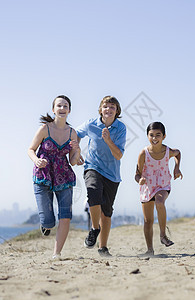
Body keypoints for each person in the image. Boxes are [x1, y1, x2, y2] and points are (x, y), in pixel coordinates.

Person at [28, 95, 81, 259]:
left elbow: (73, 161)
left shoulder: (72, 133)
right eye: (59, 105)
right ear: (53, 109)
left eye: (65, 106)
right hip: (43, 176)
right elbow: (30, 149)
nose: (62, 108)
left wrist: (77, 150)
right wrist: (37, 160)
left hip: (64, 177)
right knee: (48, 221)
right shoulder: (45, 129)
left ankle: (56, 253)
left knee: (65, 217)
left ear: (69, 110)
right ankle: (46, 225)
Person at [76, 96, 126, 257]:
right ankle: (94, 229)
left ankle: (103, 247)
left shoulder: (120, 128)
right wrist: (76, 151)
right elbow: (75, 134)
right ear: (101, 109)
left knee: (107, 213)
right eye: (106, 106)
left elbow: (118, 155)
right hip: (92, 167)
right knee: (93, 193)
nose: (108, 109)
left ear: (116, 111)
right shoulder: (91, 124)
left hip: (112, 174)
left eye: (112, 107)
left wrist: (108, 140)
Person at [135, 121, 183, 256]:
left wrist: (177, 168)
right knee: (148, 221)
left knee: (160, 202)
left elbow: (178, 153)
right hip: (147, 187)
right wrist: (140, 180)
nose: (155, 138)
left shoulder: (168, 151)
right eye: (151, 135)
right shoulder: (143, 153)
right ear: (147, 136)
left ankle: (163, 236)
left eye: (158, 135)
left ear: (164, 136)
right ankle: (150, 250)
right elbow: (137, 174)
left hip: (163, 184)